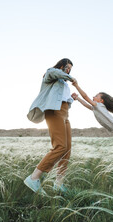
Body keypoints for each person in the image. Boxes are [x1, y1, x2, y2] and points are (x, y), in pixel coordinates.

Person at [24, 58, 76, 194]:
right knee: (60, 146)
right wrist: (70, 77)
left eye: (71, 68)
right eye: (67, 67)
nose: (69, 70)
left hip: (65, 113)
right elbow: (55, 73)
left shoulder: (64, 83)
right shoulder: (51, 74)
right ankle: (34, 177)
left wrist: (72, 98)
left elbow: (64, 98)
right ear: (61, 65)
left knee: (67, 149)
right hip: (54, 111)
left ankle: (58, 184)